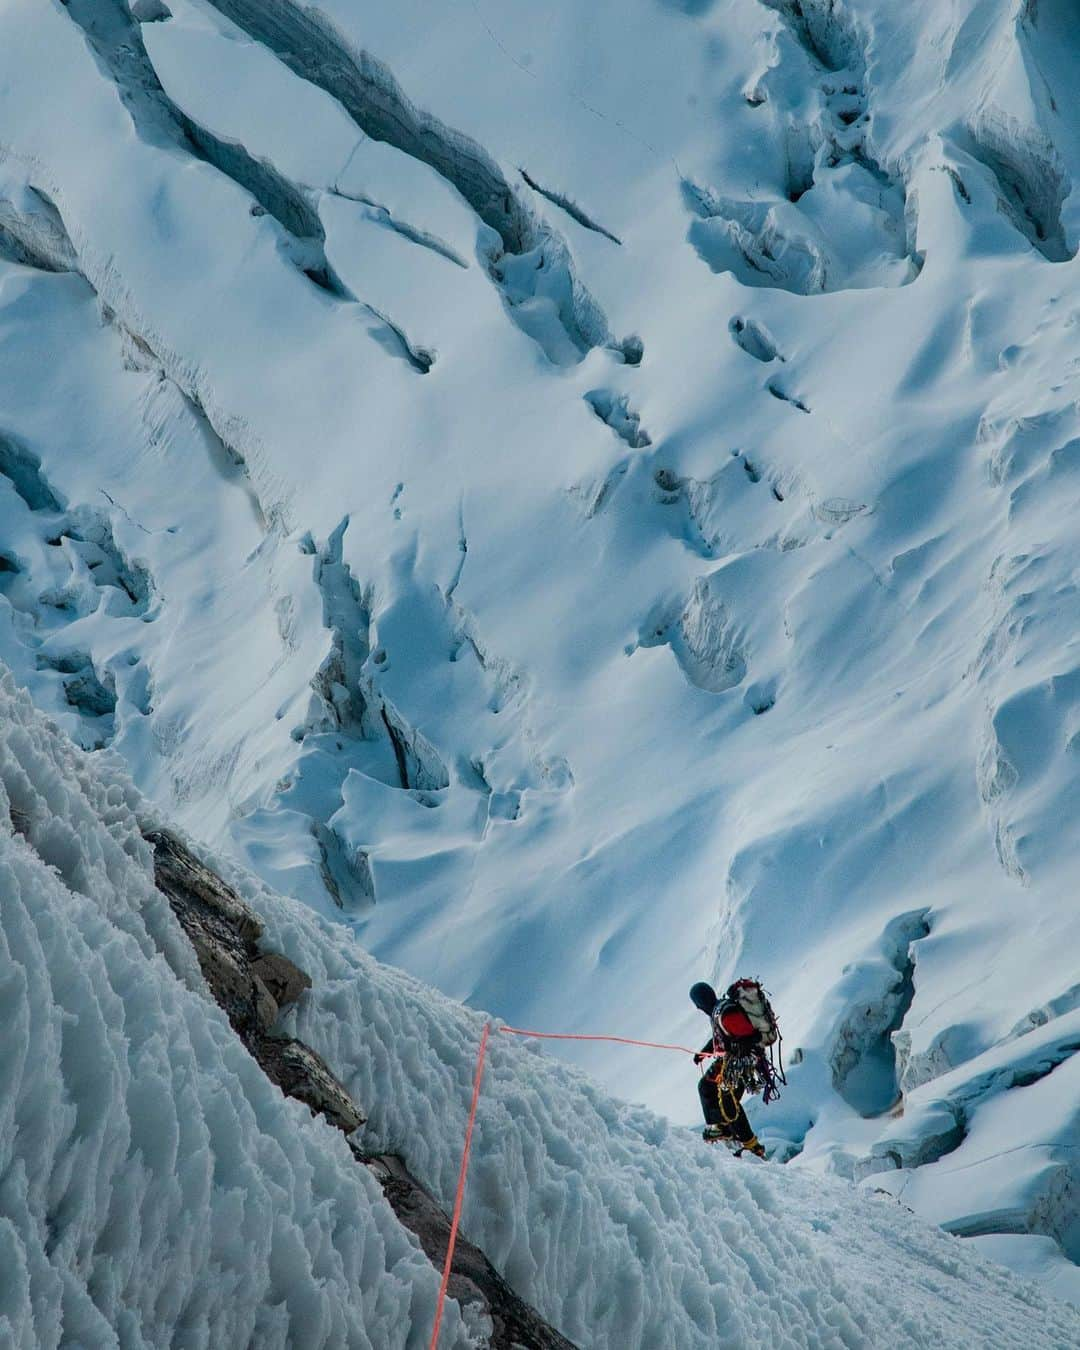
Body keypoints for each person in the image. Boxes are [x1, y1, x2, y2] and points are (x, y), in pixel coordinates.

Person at [690, 981, 767, 1158]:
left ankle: (748, 1143)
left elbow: (752, 1036)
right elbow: (723, 1036)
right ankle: (725, 1129)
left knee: (725, 1099)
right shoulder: (719, 1010)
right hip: (737, 1060)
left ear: (699, 1004)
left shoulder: (724, 1012)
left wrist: (736, 1047)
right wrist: (703, 1053)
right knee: (713, 1091)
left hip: (741, 1062)